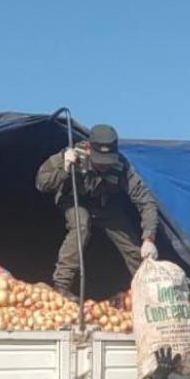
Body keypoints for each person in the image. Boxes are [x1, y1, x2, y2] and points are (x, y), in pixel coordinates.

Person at [35, 124, 159, 300]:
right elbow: (41, 183)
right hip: (74, 200)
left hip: (104, 205)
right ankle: (61, 285)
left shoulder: (121, 167)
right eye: (99, 159)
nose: (103, 165)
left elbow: (145, 200)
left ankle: (148, 291)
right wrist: (64, 169)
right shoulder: (73, 154)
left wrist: (149, 238)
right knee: (81, 225)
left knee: (131, 245)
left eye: (107, 160)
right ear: (89, 149)